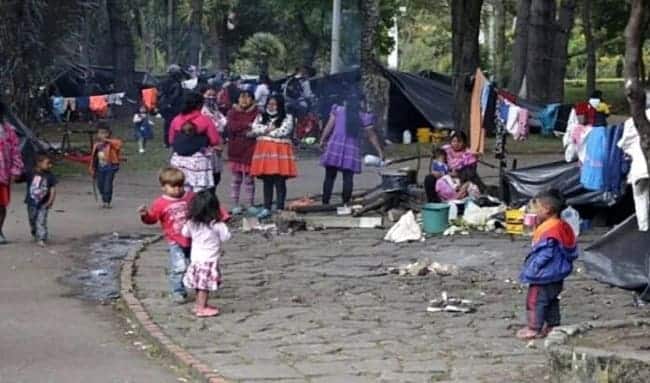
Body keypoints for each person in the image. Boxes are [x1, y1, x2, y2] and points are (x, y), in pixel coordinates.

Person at [516, 189, 578, 340]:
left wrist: (534, 267)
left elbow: (546, 253)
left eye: (535, 208)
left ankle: (534, 328)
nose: (532, 211)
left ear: (547, 210)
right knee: (551, 300)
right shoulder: (561, 226)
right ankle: (553, 325)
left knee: (535, 300)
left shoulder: (550, 230)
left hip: (544, 274)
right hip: (557, 274)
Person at [139, 167, 195, 304]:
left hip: (194, 238)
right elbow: (152, 219)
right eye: (173, 187)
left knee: (196, 264)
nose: (177, 190)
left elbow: (202, 207)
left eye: (180, 186)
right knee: (179, 266)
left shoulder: (190, 197)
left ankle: (199, 285)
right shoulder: (160, 203)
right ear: (164, 187)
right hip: (175, 240)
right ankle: (178, 290)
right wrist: (145, 215)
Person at [319, 92, 384, 205]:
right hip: (352, 149)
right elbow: (371, 136)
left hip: (335, 146)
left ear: (346, 102)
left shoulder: (338, 110)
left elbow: (329, 126)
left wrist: (322, 140)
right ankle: (346, 203)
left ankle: (325, 202)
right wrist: (379, 151)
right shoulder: (363, 117)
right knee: (348, 178)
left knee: (329, 176)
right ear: (360, 103)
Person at [181, 190, 231, 317]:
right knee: (204, 286)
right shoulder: (217, 225)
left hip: (196, 259)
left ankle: (199, 304)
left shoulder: (191, 223)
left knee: (199, 284)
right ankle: (201, 308)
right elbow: (226, 237)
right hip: (209, 260)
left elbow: (184, 233)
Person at [250, 94, 297, 219]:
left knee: (279, 180)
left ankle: (280, 208)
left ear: (280, 105)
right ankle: (267, 207)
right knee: (267, 180)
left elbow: (283, 131)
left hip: (280, 152)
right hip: (264, 152)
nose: (271, 106)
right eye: (269, 104)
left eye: (274, 104)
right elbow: (255, 129)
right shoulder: (260, 116)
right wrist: (269, 129)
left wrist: (266, 131)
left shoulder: (287, 117)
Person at [169, 92, 221, 192]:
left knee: (182, 191)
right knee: (200, 193)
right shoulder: (205, 120)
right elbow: (215, 140)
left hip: (179, 161)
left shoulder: (176, 120)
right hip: (198, 161)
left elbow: (171, 140)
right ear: (199, 105)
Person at [424, 131, 484, 203]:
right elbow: (437, 163)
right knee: (429, 178)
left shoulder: (468, 155)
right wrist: (437, 172)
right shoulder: (445, 150)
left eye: (459, 141)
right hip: (445, 176)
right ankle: (434, 203)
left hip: (462, 179)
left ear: (464, 142)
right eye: (454, 141)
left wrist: (456, 176)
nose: (456, 144)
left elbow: (470, 174)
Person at [226, 88, 259, 215]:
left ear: (252, 99)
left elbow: (257, 127)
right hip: (236, 149)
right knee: (236, 179)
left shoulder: (257, 112)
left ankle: (250, 204)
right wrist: (247, 125)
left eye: (247, 97)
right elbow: (232, 127)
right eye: (241, 97)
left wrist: (244, 127)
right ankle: (235, 204)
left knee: (250, 180)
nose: (244, 100)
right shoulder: (232, 112)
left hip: (251, 149)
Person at [0, 101, 24, 244]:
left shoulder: (8, 130)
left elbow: (16, 151)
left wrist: (16, 169)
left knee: (1, 206)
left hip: (3, 175)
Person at [24, 154, 57, 246]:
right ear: (39, 163)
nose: (50, 165)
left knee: (41, 220)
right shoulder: (31, 173)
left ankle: (42, 237)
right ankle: (35, 232)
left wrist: (50, 201)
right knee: (32, 219)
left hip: (44, 203)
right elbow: (19, 177)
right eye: (48, 163)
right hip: (31, 202)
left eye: (51, 163)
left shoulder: (50, 176)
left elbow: (53, 189)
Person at [89, 121, 122, 208]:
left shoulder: (111, 143)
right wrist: (91, 168)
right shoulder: (96, 145)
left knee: (108, 185)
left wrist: (107, 140)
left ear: (108, 133)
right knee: (100, 185)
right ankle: (104, 198)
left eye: (104, 133)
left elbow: (118, 144)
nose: (102, 135)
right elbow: (93, 158)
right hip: (100, 168)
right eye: (100, 133)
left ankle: (107, 201)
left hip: (110, 168)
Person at [200, 85, 227, 190]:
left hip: (218, 147)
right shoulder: (201, 111)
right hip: (207, 146)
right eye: (208, 95)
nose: (211, 97)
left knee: (216, 176)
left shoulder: (216, 110)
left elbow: (223, 122)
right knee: (208, 175)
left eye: (213, 95)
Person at [159, 64, 185, 147]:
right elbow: (176, 95)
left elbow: (160, 93)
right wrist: (171, 103)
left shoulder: (164, 81)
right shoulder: (176, 83)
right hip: (174, 106)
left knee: (168, 123)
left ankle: (167, 141)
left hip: (165, 105)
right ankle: (172, 140)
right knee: (173, 123)